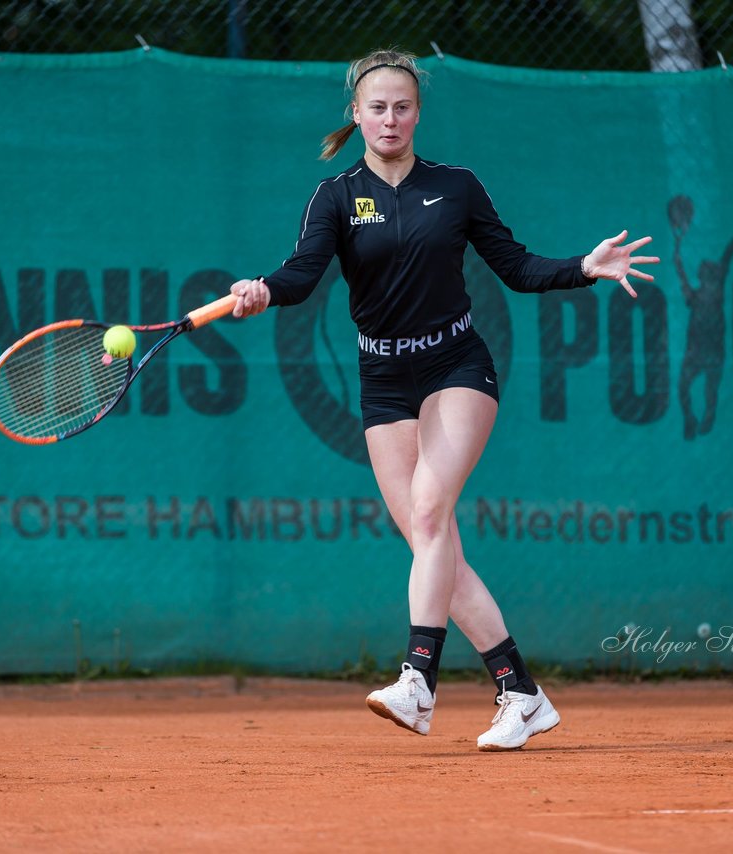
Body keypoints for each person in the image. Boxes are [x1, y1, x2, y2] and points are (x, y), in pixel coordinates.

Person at [228, 48, 658, 751]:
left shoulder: (456, 188)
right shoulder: (335, 197)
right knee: (434, 547)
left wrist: (585, 266)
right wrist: (263, 289)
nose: (390, 117)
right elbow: (303, 273)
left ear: (418, 113)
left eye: (402, 106)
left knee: (430, 513)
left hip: (457, 366)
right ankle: (521, 693)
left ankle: (418, 682)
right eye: (377, 107)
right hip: (381, 381)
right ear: (357, 116)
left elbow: (516, 268)